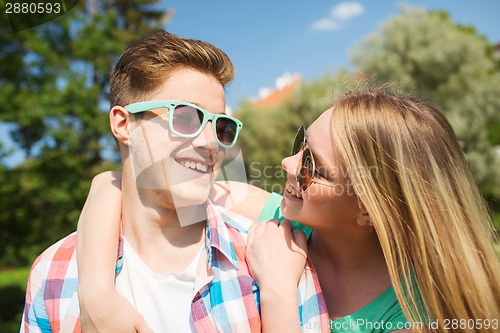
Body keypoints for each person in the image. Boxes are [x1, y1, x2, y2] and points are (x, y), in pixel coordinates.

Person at [76, 88, 500, 333]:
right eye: (301, 142)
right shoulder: (276, 217)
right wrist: (96, 292)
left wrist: (278, 292)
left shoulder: (420, 313)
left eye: (312, 165)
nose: (287, 163)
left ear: (372, 210)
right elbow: (124, 183)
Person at [21, 30, 266, 333]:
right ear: (123, 125)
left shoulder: (268, 261)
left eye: (222, 127)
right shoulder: (53, 275)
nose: (211, 143)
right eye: (186, 117)